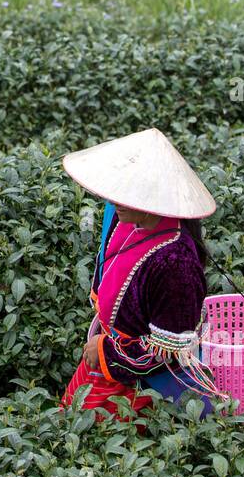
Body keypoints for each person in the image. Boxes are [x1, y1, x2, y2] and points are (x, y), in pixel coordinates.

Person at [59, 128, 225, 418]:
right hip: (104, 353)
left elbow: (167, 352)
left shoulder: (176, 264)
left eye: (128, 194)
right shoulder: (123, 217)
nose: (113, 200)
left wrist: (104, 352)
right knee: (68, 421)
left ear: (154, 198)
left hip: (138, 383)